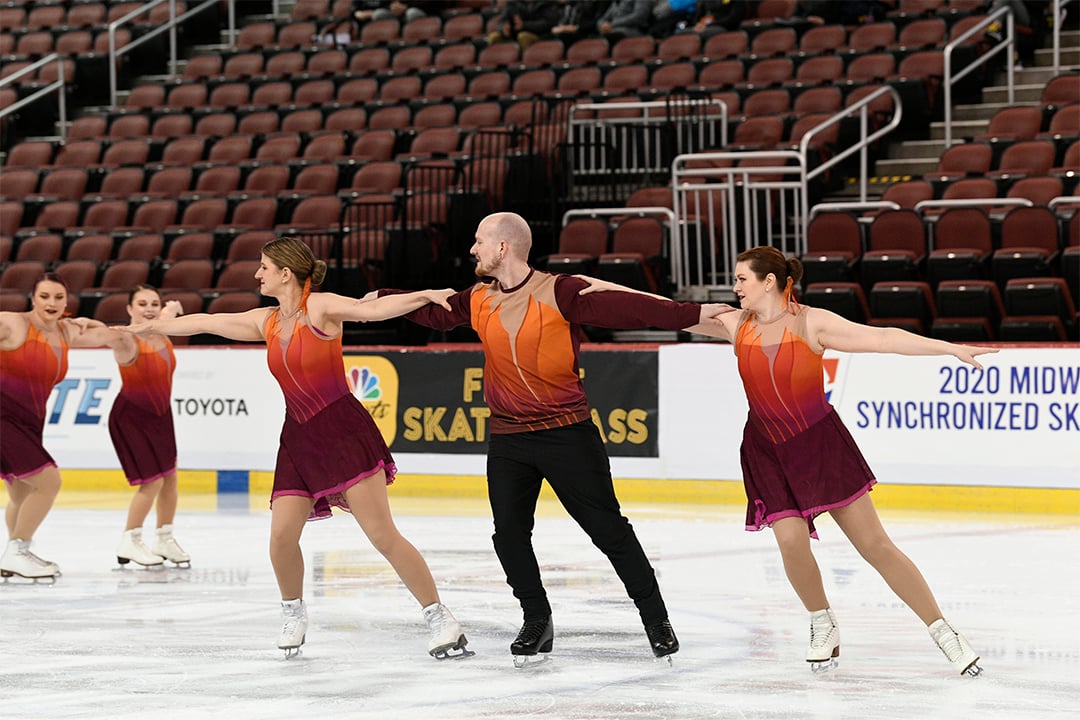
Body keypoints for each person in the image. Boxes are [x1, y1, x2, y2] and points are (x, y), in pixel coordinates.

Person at [583, 246, 994, 676]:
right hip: (766, 450)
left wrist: (948, 348)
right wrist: (603, 288)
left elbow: (883, 338)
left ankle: (942, 629)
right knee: (790, 541)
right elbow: (661, 309)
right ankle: (822, 622)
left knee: (874, 546)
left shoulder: (812, 322)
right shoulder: (732, 323)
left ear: (769, 282)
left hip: (819, 447)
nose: (735, 287)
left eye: (742, 279)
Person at [374, 212, 732, 666]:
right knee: (509, 536)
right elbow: (430, 313)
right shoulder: (477, 298)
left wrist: (694, 312)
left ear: (503, 247)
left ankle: (655, 617)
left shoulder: (560, 291)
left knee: (609, 531)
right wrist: (373, 300)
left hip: (567, 435)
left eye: (479, 240)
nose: (472, 249)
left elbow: (629, 308)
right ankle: (537, 619)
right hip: (508, 439)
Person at [123, 237, 470, 660]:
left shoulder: (320, 308)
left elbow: (369, 309)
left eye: (264, 267)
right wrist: (153, 326)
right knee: (281, 537)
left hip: (342, 431)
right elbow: (208, 322)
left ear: (286, 273)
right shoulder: (265, 320)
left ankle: (440, 617)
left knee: (382, 534)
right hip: (297, 437)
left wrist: (425, 296)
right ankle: (294, 612)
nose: (257, 274)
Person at [0, 273, 119, 581]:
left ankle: (13, 554)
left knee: (22, 492)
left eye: (58, 297)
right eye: (44, 297)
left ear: (67, 302)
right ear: (32, 298)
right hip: (3, 419)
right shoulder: (12, 324)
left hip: (30, 423)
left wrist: (88, 323)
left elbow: (109, 336)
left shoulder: (65, 332)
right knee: (49, 482)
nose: (51, 303)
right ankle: (18, 551)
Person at [104, 285, 189, 569]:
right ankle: (130, 537)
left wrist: (173, 308)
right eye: (142, 304)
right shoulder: (126, 340)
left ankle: (164, 536)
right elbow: (105, 335)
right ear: (130, 310)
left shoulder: (160, 329)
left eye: (154, 303)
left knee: (170, 478)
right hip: (132, 418)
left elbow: (170, 309)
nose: (150, 308)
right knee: (152, 481)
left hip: (161, 416)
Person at [487, 1, 563, 50]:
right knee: (493, 37)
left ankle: (525, 62)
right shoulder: (513, 4)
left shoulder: (544, 3)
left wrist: (524, 25)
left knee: (523, 36)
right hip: (514, 33)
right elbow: (501, 21)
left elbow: (549, 23)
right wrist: (503, 27)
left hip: (539, 34)